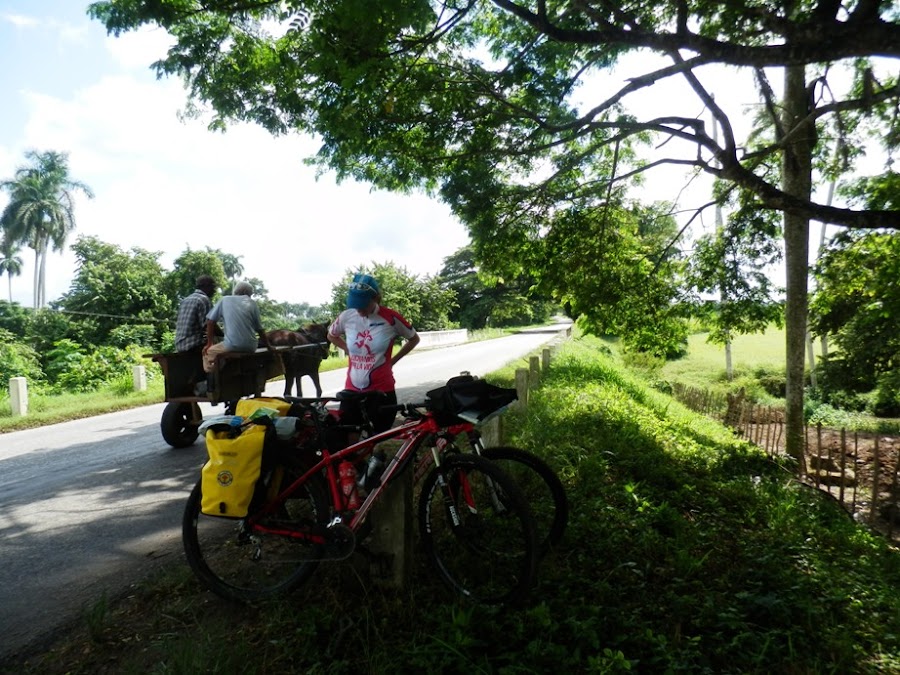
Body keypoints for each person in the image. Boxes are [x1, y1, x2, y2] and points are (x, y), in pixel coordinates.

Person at [328, 273, 420, 433]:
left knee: (378, 437)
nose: (359, 311)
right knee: (350, 439)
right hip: (352, 388)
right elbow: (331, 335)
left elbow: (414, 339)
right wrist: (348, 350)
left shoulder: (390, 318)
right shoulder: (347, 316)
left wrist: (392, 361)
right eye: (355, 306)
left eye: (363, 305)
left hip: (381, 389)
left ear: (376, 298)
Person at [202, 281, 273, 374]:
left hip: (231, 346)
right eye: (250, 294)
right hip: (251, 347)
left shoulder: (224, 300)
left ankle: (215, 376)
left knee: (207, 352)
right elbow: (260, 329)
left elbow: (210, 321)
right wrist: (269, 346)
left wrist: (209, 344)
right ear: (245, 293)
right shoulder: (252, 303)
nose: (250, 297)